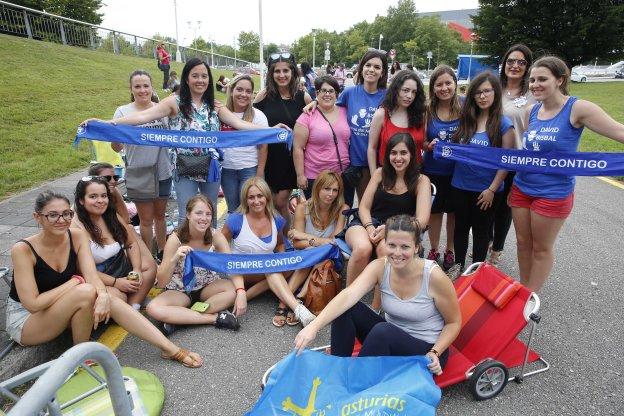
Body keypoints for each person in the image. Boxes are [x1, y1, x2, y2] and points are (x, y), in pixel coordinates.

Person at [8, 191, 203, 367]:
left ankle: (169, 348)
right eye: (52, 215)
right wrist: (76, 282)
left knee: (106, 297)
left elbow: (91, 275)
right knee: (85, 292)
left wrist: (102, 295)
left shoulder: (76, 236)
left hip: (63, 302)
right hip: (27, 320)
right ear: (37, 218)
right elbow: (33, 304)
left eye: (67, 214)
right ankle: (82, 353)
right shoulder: (23, 249)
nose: (62, 220)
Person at [84, 58, 278, 228]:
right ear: (187, 78)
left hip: (211, 168)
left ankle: (208, 254)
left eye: (204, 76)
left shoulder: (215, 105)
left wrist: (272, 131)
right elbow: (143, 116)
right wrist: (108, 123)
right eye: (195, 75)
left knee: (209, 212)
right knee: (188, 211)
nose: (200, 80)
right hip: (183, 168)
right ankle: (186, 256)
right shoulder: (174, 102)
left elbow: (240, 124)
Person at [294, 214, 460, 376]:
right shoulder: (380, 266)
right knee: (349, 308)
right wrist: (313, 327)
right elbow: (348, 295)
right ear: (385, 244)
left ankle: (355, 382)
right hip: (388, 341)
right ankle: (337, 367)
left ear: (417, 247)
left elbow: (453, 323)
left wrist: (435, 352)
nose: (397, 253)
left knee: (383, 331)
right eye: (392, 245)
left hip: (425, 351)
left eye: (405, 247)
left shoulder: (434, 277)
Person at [511, 56, 624, 292]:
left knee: (541, 248)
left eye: (542, 79)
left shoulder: (578, 108)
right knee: (522, 244)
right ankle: (523, 291)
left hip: (553, 193)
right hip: (521, 187)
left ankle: (529, 301)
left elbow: (618, 131)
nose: (535, 84)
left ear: (560, 80)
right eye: (532, 80)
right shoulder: (531, 111)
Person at [345, 133, 431, 310]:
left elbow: (421, 221)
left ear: (412, 155)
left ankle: (375, 309)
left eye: (403, 153)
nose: (398, 158)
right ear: (387, 155)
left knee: (387, 251)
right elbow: (364, 207)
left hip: (399, 231)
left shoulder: (421, 181)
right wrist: (369, 228)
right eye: (394, 153)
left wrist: (390, 229)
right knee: (363, 248)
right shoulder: (379, 173)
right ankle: (347, 301)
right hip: (367, 223)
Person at [221, 177, 316, 327]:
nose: (256, 201)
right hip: (243, 273)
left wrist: (283, 260)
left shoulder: (276, 219)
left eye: (260, 196)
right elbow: (221, 245)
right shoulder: (235, 220)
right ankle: (297, 308)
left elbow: (279, 245)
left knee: (301, 261)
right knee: (271, 268)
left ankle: (250, 296)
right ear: (245, 200)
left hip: (268, 268)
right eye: (251, 197)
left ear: (267, 197)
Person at [147, 195, 243, 334]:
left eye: (208, 214)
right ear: (188, 215)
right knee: (153, 308)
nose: (204, 218)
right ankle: (214, 318)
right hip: (180, 290)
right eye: (198, 213)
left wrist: (241, 292)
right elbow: (161, 282)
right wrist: (175, 258)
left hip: (207, 287)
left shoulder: (215, 235)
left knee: (233, 289)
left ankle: (181, 317)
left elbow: (231, 266)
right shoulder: (176, 238)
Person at [305, 49, 388, 206]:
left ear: (383, 72)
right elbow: (329, 106)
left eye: (377, 67)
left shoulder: (388, 96)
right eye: (368, 65)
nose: (371, 69)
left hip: (378, 162)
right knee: (354, 206)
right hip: (353, 163)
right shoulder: (349, 93)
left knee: (375, 206)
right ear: (361, 68)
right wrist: (315, 102)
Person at [450, 72, 515, 273]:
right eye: (478, 92)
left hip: (486, 190)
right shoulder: (466, 120)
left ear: (495, 93)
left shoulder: (504, 125)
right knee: (460, 229)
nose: (482, 96)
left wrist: (492, 190)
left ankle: (476, 272)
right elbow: (454, 149)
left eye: (487, 91)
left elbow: (506, 161)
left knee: (481, 232)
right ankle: (458, 269)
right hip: (460, 185)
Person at [110, 70, 172, 257]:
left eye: (146, 85)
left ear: (152, 87)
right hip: (139, 172)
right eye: (138, 86)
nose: (142, 90)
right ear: (131, 89)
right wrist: (116, 137)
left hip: (163, 170)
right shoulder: (122, 112)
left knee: (160, 216)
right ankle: (148, 256)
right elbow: (116, 147)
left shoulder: (162, 109)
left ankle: (162, 253)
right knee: (145, 220)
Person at [71, 176, 156, 309]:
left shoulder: (111, 215)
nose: (100, 201)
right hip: (98, 278)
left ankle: (133, 307)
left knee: (149, 268)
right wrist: (116, 282)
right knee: (118, 296)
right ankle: (127, 307)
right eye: (93, 196)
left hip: (121, 267)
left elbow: (131, 244)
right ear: (81, 200)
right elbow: (83, 270)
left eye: (104, 196)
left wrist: (137, 269)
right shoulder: (75, 228)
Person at [488, 44, 536, 265]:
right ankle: (486, 240)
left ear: (527, 67)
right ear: (504, 63)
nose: (515, 66)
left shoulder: (532, 95)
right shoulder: (493, 88)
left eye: (521, 62)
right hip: (489, 157)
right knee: (487, 201)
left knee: (505, 207)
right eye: (511, 61)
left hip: (516, 160)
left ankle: (497, 248)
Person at [253, 53, 313, 226]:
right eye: (277, 71)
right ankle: (277, 239)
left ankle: (288, 239)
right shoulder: (263, 96)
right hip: (268, 156)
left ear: (293, 72)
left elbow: (316, 119)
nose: (281, 75)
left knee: (280, 202)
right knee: (269, 203)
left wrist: (315, 103)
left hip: (291, 158)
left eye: (285, 70)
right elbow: (250, 122)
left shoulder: (303, 97)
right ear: (271, 74)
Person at [285, 171, 349, 324]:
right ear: (318, 188)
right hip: (306, 255)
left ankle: (291, 301)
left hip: (331, 258)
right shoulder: (303, 207)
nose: (331, 194)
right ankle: (295, 301)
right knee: (311, 253)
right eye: (327, 189)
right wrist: (315, 242)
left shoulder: (342, 208)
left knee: (318, 253)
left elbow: (334, 243)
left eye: (335, 190)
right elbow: (296, 244)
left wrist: (306, 236)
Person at [422, 65, 462, 271]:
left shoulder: (464, 107)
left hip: (457, 171)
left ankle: (450, 250)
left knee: (453, 213)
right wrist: (428, 146)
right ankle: (434, 249)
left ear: (455, 84)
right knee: (435, 213)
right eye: (439, 84)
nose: (444, 88)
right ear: (433, 88)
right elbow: (421, 140)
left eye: (448, 83)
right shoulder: (428, 110)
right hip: (433, 171)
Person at [293, 75, 350, 198]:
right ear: (317, 93)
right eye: (323, 91)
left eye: (331, 91)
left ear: (337, 94)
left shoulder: (345, 111)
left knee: (341, 213)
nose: (327, 94)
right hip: (315, 176)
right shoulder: (307, 116)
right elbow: (298, 147)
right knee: (318, 215)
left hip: (342, 174)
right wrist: (300, 175)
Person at [220, 74, 269, 213]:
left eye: (248, 91)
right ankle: (235, 235)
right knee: (233, 210)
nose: (244, 94)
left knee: (250, 210)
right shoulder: (220, 113)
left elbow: (263, 146)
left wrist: (260, 173)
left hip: (249, 169)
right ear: (232, 90)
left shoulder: (258, 116)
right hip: (226, 169)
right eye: (240, 90)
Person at [367, 69, 426, 177]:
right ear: (396, 90)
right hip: (388, 176)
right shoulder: (381, 114)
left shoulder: (421, 116)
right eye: (406, 90)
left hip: (414, 176)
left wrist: (430, 146)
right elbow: (372, 148)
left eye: (414, 92)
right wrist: (374, 176)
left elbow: (422, 144)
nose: (410, 96)